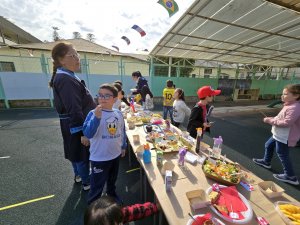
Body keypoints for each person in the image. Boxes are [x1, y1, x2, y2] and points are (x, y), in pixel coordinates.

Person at [49, 42, 96, 191]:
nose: (77, 58)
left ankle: (79, 176)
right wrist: (83, 132)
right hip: (75, 123)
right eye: (73, 55)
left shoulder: (66, 76)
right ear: (61, 60)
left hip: (70, 123)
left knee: (74, 151)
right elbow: (74, 108)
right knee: (81, 154)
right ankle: (87, 182)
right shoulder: (65, 79)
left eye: (78, 55)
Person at [83, 83, 127, 204]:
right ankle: (93, 208)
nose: (102, 98)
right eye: (100, 95)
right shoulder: (93, 113)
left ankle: (111, 194)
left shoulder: (118, 113)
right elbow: (88, 133)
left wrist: (123, 146)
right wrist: (96, 118)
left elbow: (122, 131)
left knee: (112, 180)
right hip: (99, 158)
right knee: (97, 186)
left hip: (115, 155)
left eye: (107, 96)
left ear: (115, 99)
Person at [253, 84, 300, 186]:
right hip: (279, 134)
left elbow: (287, 123)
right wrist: (273, 118)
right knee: (268, 145)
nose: (282, 96)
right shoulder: (289, 105)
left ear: (296, 96)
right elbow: (281, 117)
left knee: (282, 153)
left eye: (285, 94)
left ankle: (290, 176)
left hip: (285, 136)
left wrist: (270, 120)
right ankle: (266, 161)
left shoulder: (295, 107)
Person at [84, 196, 159, 225]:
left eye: (120, 222)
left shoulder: (115, 216)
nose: (121, 224)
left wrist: (154, 207)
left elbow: (133, 211)